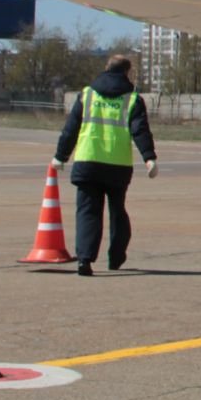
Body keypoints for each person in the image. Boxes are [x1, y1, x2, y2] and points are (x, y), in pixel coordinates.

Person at [52, 55, 158, 276]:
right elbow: (140, 131)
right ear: (127, 73)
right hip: (117, 164)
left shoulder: (87, 95)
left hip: (87, 161)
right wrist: (149, 157)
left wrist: (60, 157)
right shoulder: (132, 99)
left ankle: (85, 260)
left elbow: (70, 129)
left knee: (88, 212)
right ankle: (116, 256)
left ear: (106, 68)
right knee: (117, 211)